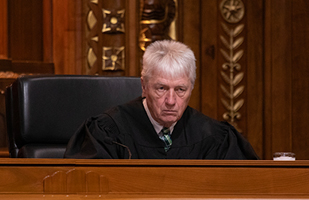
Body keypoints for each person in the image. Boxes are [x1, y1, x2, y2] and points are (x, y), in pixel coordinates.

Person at [64, 40, 259, 159]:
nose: (171, 101)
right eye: (161, 88)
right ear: (144, 86)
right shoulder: (108, 132)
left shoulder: (216, 138)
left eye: (180, 89)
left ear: (191, 88)